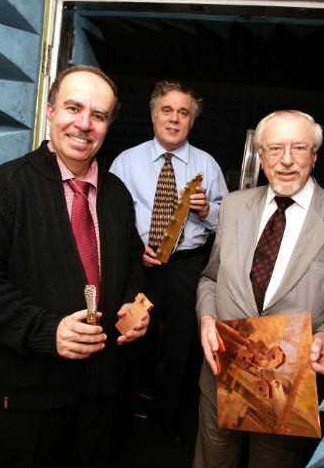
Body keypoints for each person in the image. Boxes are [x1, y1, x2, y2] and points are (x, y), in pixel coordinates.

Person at [0, 65, 148, 468]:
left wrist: (133, 306)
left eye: (99, 115)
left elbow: (133, 264)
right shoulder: (6, 187)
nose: (84, 124)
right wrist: (47, 330)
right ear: (50, 111)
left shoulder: (117, 194)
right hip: (30, 397)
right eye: (73, 108)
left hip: (101, 391)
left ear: (108, 125)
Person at [194, 110, 324, 467]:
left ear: (315, 155)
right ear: (260, 156)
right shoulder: (232, 206)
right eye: (275, 149)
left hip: (290, 387)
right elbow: (210, 278)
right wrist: (206, 318)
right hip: (221, 374)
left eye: (299, 148)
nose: (287, 161)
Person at [110, 80, 228, 441]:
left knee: (179, 348)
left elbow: (229, 221)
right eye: (167, 110)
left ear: (191, 121)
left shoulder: (207, 165)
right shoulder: (126, 161)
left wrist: (208, 210)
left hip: (186, 268)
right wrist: (133, 252)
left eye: (183, 113)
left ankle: (167, 419)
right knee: (130, 340)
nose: (174, 119)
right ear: (153, 115)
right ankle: (121, 419)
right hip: (139, 269)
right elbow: (110, 218)